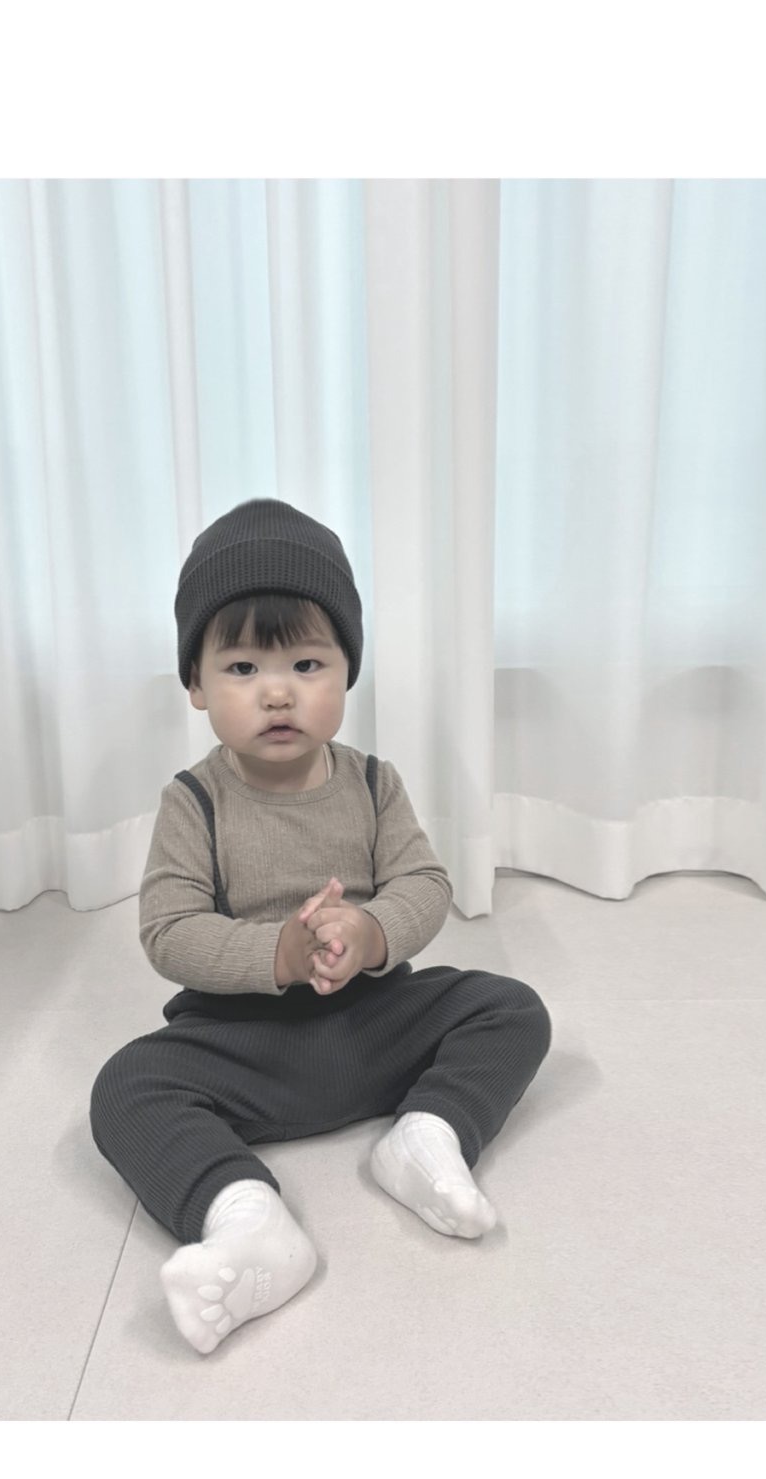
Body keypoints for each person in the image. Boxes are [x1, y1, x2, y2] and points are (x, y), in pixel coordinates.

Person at [89, 498, 551, 1355]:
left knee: (510, 1007)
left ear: (346, 672)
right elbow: (169, 930)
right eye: (241, 667)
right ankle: (246, 1217)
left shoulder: (373, 783)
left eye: (306, 663)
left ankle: (427, 1134)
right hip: (246, 1045)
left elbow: (425, 883)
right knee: (126, 1087)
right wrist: (280, 952)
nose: (277, 691)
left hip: (372, 1024)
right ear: (196, 684)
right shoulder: (194, 801)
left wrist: (369, 933)